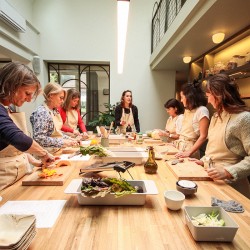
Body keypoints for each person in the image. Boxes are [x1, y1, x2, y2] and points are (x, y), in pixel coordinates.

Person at [0, 62, 55, 191]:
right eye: (27, 93)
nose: (29, 99)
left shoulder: (10, 107)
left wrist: (35, 161)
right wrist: (43, 153)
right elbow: (16, 138)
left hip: (17, 177)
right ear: (11, 85)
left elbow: (13, 148)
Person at [195, 74, 250, 198]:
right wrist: (202, 161)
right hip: (213, 179)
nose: (208, 100)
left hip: (233, 186)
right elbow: (213, 149)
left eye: (209, 96)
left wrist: (227, 172)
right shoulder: (216, 116)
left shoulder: (243, 119)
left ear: (220, 95)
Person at [30, 82, 78, 152]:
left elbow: (56, 132)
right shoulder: (41, 112)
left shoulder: (54, 111)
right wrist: (63, 142)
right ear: (50, 96)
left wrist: (69, 139)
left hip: (55, 151)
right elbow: (39, 138)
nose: (62, 101)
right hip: (45, 154)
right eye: (61, 98)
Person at [174, 80, 210, 159]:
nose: (181, 100)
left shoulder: (202, 110)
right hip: (180, 147)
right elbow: (183, 132)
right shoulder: (187, 110)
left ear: (189, 97)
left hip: (190, 149)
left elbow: (203, 136)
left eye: (182, 97)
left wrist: (189, 152)